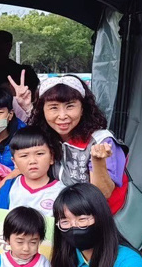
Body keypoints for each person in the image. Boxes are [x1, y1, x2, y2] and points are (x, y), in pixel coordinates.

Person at [29, 75, 130, 213]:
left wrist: (97, 161)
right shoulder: (45, 137)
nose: (62, 116)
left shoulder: (101, 140)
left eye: (70, 106)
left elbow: (104, 193)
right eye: (53, 107)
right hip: (63, 215)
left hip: (101, 217)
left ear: (83, 108)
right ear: (43, 110)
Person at [0, 127, 65, 217]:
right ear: (14, 162)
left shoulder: (61, 192)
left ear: (51, 158)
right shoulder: (8, 188)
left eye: (39, 154)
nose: (32, 161)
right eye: (24, 156)